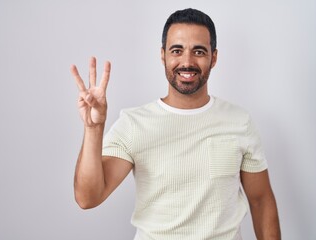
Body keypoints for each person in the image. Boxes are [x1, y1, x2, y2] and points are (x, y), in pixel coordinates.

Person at [71, 8, 281, 240]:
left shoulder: (239, 122)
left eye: (199, 51)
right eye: (176, 50)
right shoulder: (134, 124)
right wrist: (93, 128)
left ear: (214, 57)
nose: (187, 62)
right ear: (163, 55)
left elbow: (261, 201)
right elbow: (87, 198)